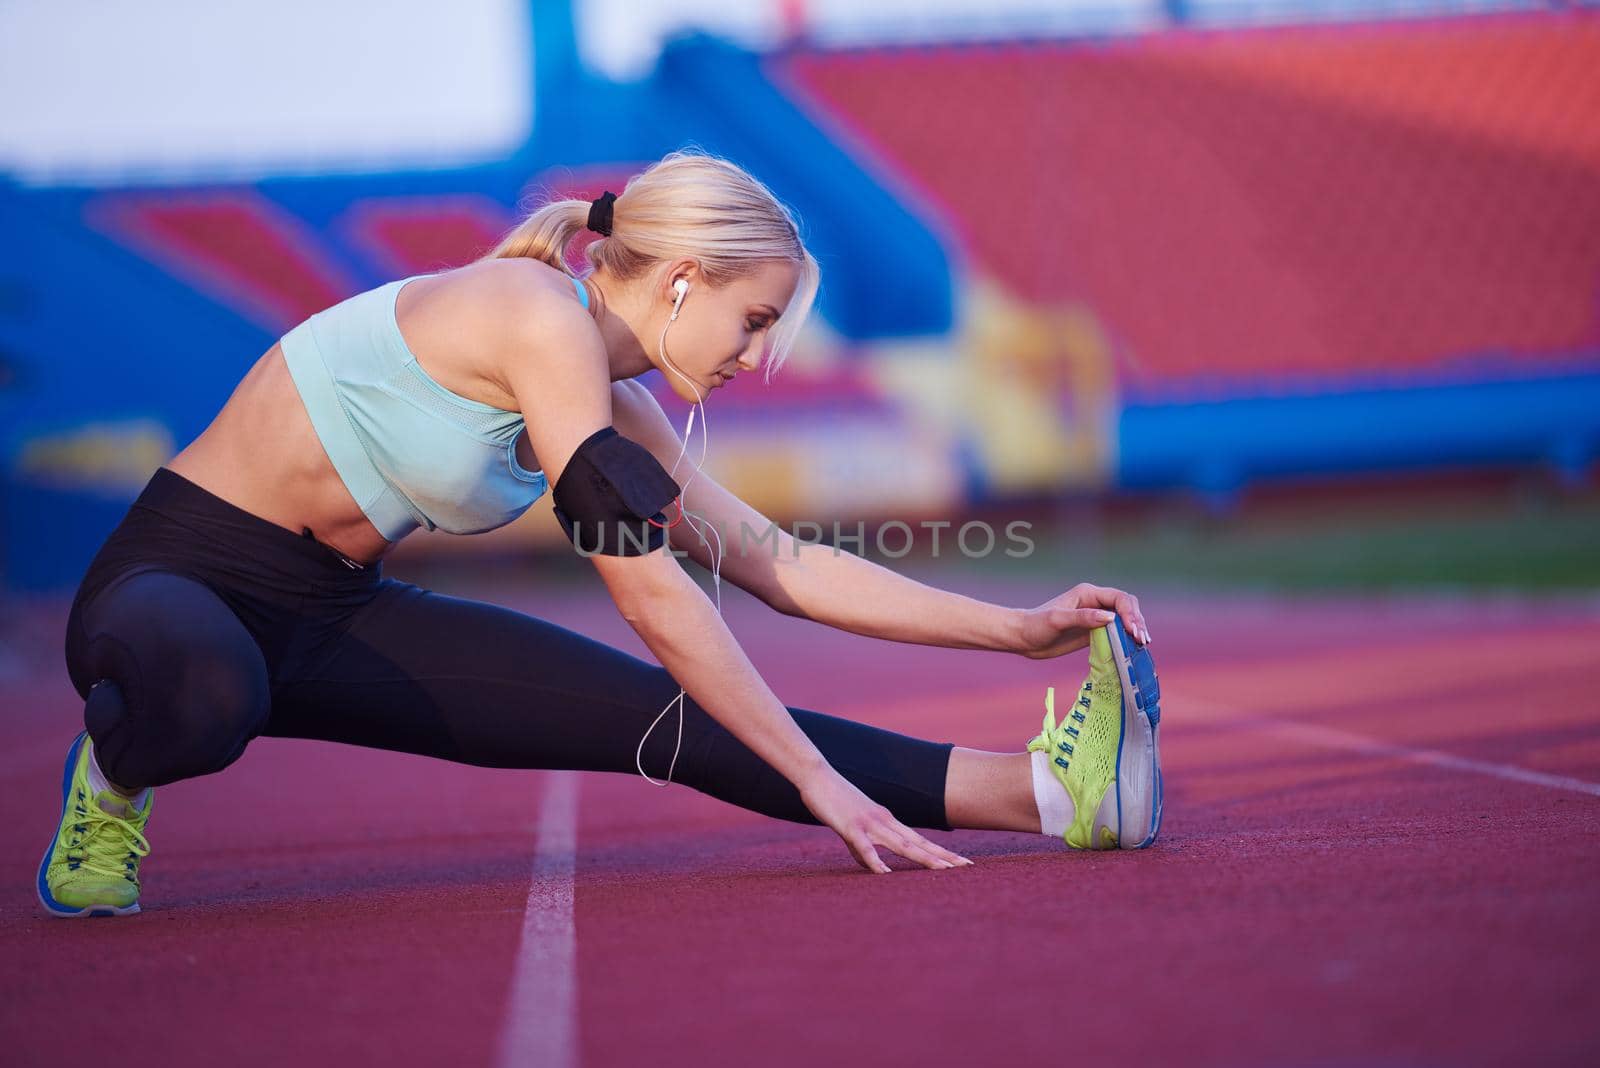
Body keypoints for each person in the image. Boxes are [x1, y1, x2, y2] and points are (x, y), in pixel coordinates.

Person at [37, 149, 1163, 918]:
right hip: (177, 579)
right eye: (754, 318)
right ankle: (116, 774)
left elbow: (775, 564)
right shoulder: (532, 315)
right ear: (681, 281)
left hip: (332, 612)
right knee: (207, 695)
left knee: (696, 722)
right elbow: (647, 593)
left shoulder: (611, 400)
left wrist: (1017, 631)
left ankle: (1046, 794)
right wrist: (818, 783)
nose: (757, 353)